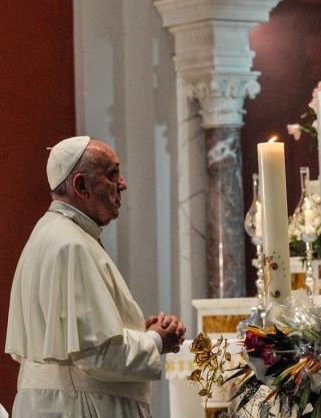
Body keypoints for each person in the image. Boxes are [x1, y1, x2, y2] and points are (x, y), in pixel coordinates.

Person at [6, 136, 186, 417]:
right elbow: (97, 354)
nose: (123, 183)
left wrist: (137, 330)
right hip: (80, 406)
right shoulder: (71, 244)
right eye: (113, 174)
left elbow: (78, 340)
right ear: (81, 186)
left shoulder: (51, 233)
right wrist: (155, 340)